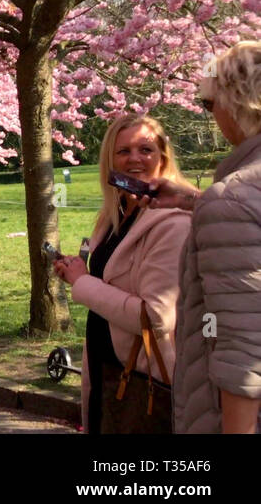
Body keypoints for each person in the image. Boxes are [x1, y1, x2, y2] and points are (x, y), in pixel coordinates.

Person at [145, 41, 261, 433]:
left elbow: (240, 349)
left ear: (237, 101)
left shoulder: (232, 199)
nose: (213, 116)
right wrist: (197, 202)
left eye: (210, 105)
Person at [53, 114, 191, 433]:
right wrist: (80, 271)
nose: (134, 159)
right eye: (123, 151)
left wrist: (82, 282)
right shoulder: (116, 212)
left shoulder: (174, 222)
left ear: (163, 157)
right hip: (107, 369)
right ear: (110, 161)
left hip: (144, 379)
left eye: (146, 149)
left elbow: (155, 316)